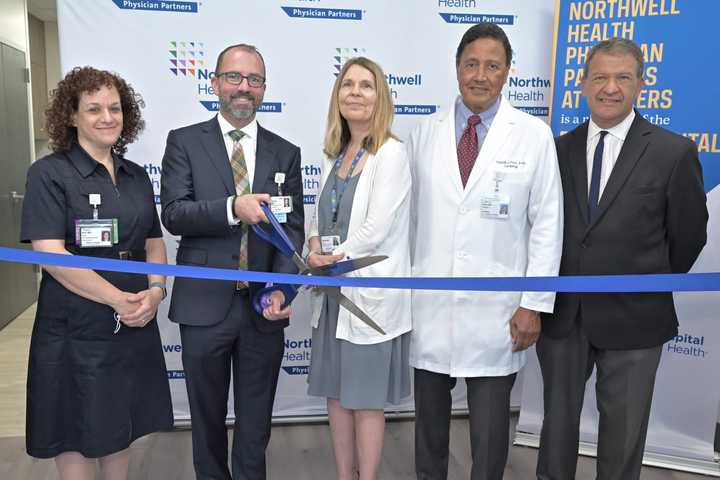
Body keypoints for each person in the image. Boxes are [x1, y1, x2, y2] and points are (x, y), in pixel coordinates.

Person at [536, 37, 708, 480]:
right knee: (555, 431)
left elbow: (688, 237)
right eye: (600, 77)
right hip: (564, 319)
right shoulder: (558, 149)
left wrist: (645, 281)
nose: (610, 87)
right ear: (582, 83)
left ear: (640, 85)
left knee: (623, 438)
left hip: (636, 318)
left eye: (622, 77)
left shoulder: (674, 152)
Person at [408, 23, 563, 480]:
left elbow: (547, 227)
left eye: (492, 65)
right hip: (430, 308)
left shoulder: (533, 136)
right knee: (429, 433)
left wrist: (533, 304)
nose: (480, 75)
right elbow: (406, 221)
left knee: (491, 437)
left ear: (508, 72)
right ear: (457, 68)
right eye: (471, 64)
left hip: (499, 314)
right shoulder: (423, 133)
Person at [20, 66, 172, 480]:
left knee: (118, 425)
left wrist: (155, 293)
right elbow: (52, 254)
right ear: (71, 116)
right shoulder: (49, 174)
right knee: (75, 427)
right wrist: (117, 299)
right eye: (93, 109)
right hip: (75, 325)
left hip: (134, 318)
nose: (107, 117)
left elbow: (153, 244)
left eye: (115, 108)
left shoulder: (136, 175)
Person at [160, 44, 304, 480]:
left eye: (254, 80)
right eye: (235, 78)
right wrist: (230, 208)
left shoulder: (286, 152)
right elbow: (173, 213)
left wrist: (281, 287)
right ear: (216, 82)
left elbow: (291, 230)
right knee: (205, 422)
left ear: (264, 88)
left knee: (256, 423)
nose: (244, 88)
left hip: (262, 309)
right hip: (204, 307)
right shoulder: (184, 141)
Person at [305, 56, 412, 480]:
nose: (355, 92)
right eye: (347, 84)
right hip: (332, 296)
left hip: (366, 297)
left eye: (366, 85)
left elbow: (376, 228)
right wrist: (313, 249)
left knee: (364, 399)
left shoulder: (391, 153)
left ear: (380, 96)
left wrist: (330, 261)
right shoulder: (336, 153)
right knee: (335, 395)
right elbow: (318, 216)